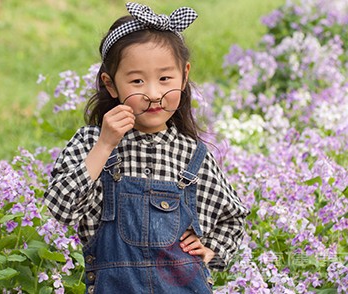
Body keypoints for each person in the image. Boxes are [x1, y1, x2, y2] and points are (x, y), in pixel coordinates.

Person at [44, 2, 249, 293]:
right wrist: (104, 145)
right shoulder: (91, 142)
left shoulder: (192, 155)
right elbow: (59, 210)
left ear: (185, 74)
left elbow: (232, 216)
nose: (154, 94)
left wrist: (211, 249)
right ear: (111, 85)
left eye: (165, 78)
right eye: (137, 81)